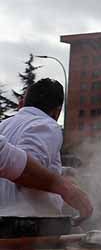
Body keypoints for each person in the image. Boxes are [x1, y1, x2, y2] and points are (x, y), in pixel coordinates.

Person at [0, 79, 68, 216]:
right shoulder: (47, 125)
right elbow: (28, 175)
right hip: (25, 227)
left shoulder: (3, 125)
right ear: (57, 111)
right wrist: (68, 193)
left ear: (24, 102)